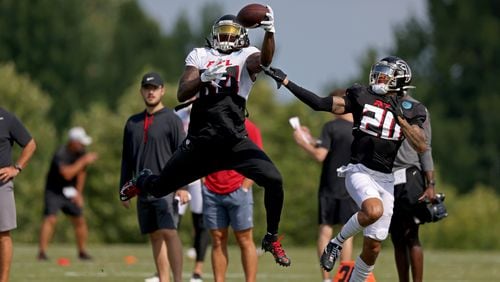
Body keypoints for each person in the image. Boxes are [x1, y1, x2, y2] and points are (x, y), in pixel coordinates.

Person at [120, 7, 292, 267]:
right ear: (213, 35)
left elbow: (265, 61)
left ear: (242, 36)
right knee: (159, 188)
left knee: (274, 180)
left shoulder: (247, 55)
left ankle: (271, 237)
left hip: (234, 141)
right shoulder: (200, 55)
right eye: (221, 34)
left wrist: (269, 32)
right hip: (201, 141)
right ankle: (142, 180)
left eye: (231, 34)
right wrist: (202, 77)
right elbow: (181, 92)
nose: (225, 39)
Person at [263, 56, 428, 281]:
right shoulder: (362, 96)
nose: (377, 78)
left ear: (398, 81)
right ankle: (336, 243)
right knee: (373, 211)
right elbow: (320, 103)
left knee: (373, 248)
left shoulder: (412, 109)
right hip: (359, 170)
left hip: (386, 179)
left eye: (384, 75)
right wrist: (287, 82)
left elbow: (420, 144)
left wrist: (399, 117)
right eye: (378, 73)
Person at [119, 72, 189, 282]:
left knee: (169, 232)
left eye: (155, 88)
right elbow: (127, 159)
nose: (151, 92)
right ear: (141, 91)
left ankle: (177, 279)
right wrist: (123, 189)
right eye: (147, 88)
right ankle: (163, 279)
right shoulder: (132, 123)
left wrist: (182, 186)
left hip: (166, 187)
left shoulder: (172, 120)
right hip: (142, 190)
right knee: (155, 235)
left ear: (162, 90)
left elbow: (183, 154)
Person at [290, 89, 359, 282]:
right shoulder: (359, 129)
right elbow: (326, 146)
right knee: (347, 233)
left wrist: (302, 143)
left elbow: (321, 154)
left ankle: (327, 278)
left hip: (330, 184)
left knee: (325, 231)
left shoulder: (331, 127)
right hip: (352, 185)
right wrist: (310, 138)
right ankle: (343, 278)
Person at [203, 118, 261, 282]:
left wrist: (245, 186)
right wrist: (204, 182)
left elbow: (258, 159)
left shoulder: (249, 126)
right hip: (212, 191)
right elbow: (197, 154)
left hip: (239, 191)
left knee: (244, 239)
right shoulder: (207, 125)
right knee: (217, 239)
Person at [389, 93, 435, 282]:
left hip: (410, 173)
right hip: (387, 176)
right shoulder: (381, 104)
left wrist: (430, 183)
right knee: (396, 237)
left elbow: (425, 147)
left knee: (411, 234)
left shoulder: (416, 107)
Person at [37, 126, 98, 261]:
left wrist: (79, 193)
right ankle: (42, 252)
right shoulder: (61, 153)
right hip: (54, 191)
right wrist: (83, 161)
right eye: (80, 142)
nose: (82, 146)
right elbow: (67, 174)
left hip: (71, 191)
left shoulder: (81, 152)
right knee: (50, 219)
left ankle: (82, 252)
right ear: (73, 141)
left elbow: (82, 173)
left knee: (80, 220)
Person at [174, 105, 210, 282]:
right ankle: (165, 270)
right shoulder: (177, 116)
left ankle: (198, 271)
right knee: (172, 223)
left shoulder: (209, 113)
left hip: (200, 177)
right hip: (180, 177)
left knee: (201, 222)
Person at [0, 108, 36, 282]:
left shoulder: (7, 118)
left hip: (1, 185)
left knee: (2, 235)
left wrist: (17, 168)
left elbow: (30, 144)